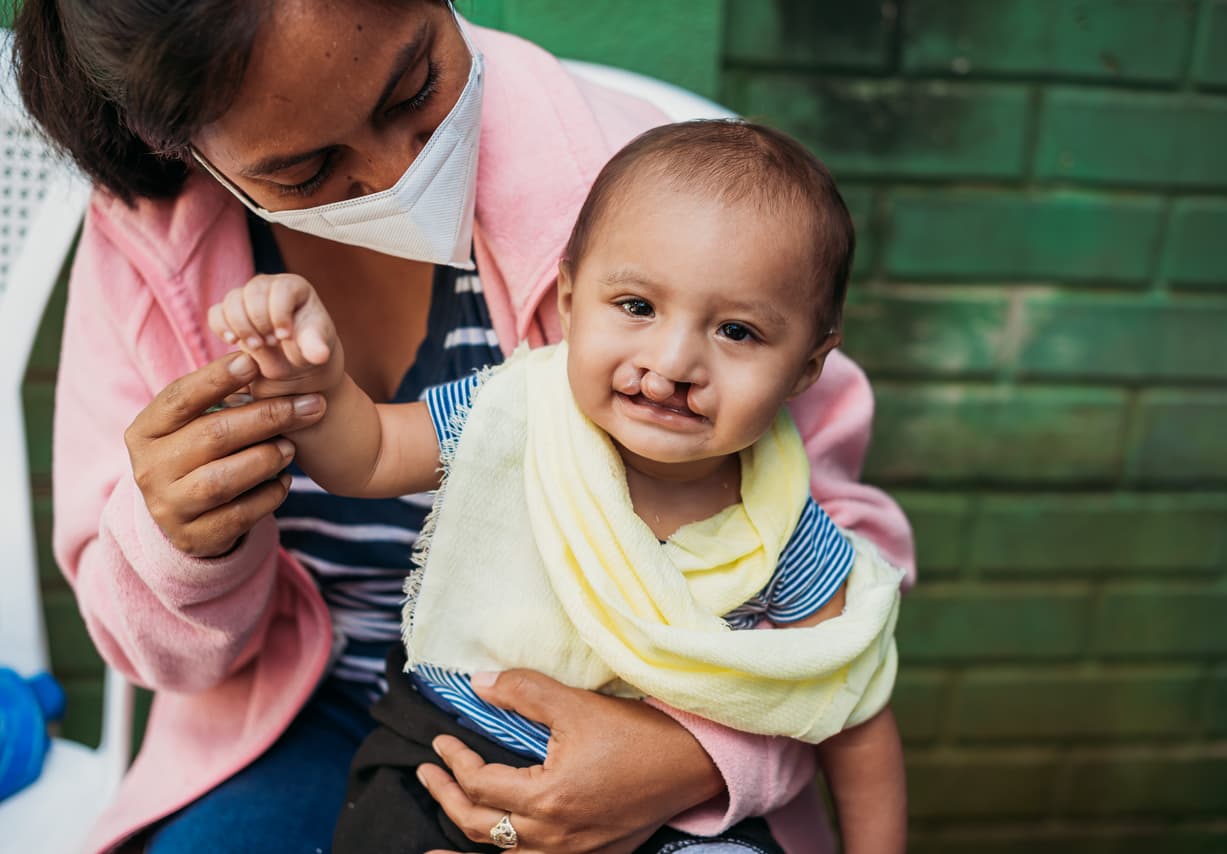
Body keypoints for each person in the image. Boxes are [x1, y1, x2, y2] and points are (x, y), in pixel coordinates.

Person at [12, 1, 915, 851]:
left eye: (415, 90)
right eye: (302, 170)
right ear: (181, 150)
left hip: (645, 720)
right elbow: (364, 452)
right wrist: (179, 540)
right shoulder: (152, 246)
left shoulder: (651, 194)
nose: (399, 172)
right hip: (295, 716)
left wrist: (692, 758)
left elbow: (844, 609)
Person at [210, 118, 908, 854]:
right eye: (637, 306)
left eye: (737, 332)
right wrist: (313, 379)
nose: (671, 362)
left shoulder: (783, 533)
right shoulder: (516, 414)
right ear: (571, 301)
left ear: (806, 367)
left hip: (656, 807)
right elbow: (374, 452)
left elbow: (850, 708)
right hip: (448, 749)